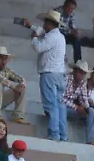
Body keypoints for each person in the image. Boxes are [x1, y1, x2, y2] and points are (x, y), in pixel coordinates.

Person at [18, 9, 67, 140]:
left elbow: (38, 47)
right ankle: (63, 135)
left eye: (46, 22)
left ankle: (54, 134)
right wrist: (31, 26)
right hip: (59, 75)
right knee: (59, 106)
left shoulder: (51, 37)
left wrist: (34, 37)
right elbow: (43, 32)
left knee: (51, 106)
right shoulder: (60, 36)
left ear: (50, 23)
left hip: (49, 74)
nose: (44, 25)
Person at [0, 44, 25, 121]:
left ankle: (18, 116)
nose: (4, 62)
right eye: (1, 59)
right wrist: (13, 87)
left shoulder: (6, 70)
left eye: (5, 59)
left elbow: (20, 78)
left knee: (22, 88)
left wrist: (22, 84)